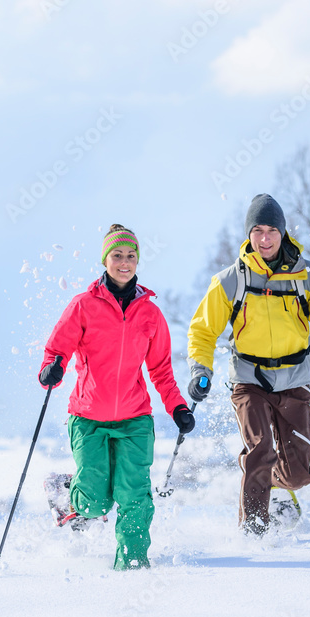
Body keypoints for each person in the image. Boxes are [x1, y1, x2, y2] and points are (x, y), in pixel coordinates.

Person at [187, 194, 310, 535]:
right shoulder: (231, 280)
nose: (264, 239)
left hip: (293, 379)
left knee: (297, 474)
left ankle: (273, 487)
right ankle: (253, 531)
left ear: (282, 232)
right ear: (249, 234)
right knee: (260, 450)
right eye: (257, 231)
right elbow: (202, 331)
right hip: (250, 380)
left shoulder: (307, 275)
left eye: (271, 230)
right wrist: (201, 370)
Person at [38, 224, 195, 570]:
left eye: (131, 256)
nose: (124, 262)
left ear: (138, 261)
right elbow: (56, 349)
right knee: (95, 503)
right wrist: (53, 367)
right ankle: (67, 495)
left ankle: (133, 567)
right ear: (105, 260)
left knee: (135, 497)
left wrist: (177, 407)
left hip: (134, 419)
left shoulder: (150, 314)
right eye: (117, 255)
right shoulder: (83, 306)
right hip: (89, 418)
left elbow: (161, 371)